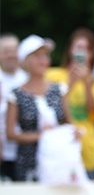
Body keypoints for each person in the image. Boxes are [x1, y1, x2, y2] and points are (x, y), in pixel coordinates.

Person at [5, 35, 69, 182]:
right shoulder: (16, 94)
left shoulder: (59, 89)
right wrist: (41, 135)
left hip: (57, 159)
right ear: (25, 61)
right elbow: (11, 134)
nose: (43, 60)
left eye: (45, 55)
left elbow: (68, 122)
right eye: (36, 56)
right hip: (28, 161)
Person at [46, 28, 94, 178]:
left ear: (92, 54)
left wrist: (86, 83)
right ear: (70, 50)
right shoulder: (52, 75)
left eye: (87, 49)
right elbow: (51, 108)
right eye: (78, 47)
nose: (82, 53)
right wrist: (70, 84)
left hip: (87, 147)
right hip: (59, 146)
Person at [0, 33, 26, 181]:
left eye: (14, 50)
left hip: (24, 151)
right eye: (6, 51)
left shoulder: (27, 79)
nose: (11, 55)